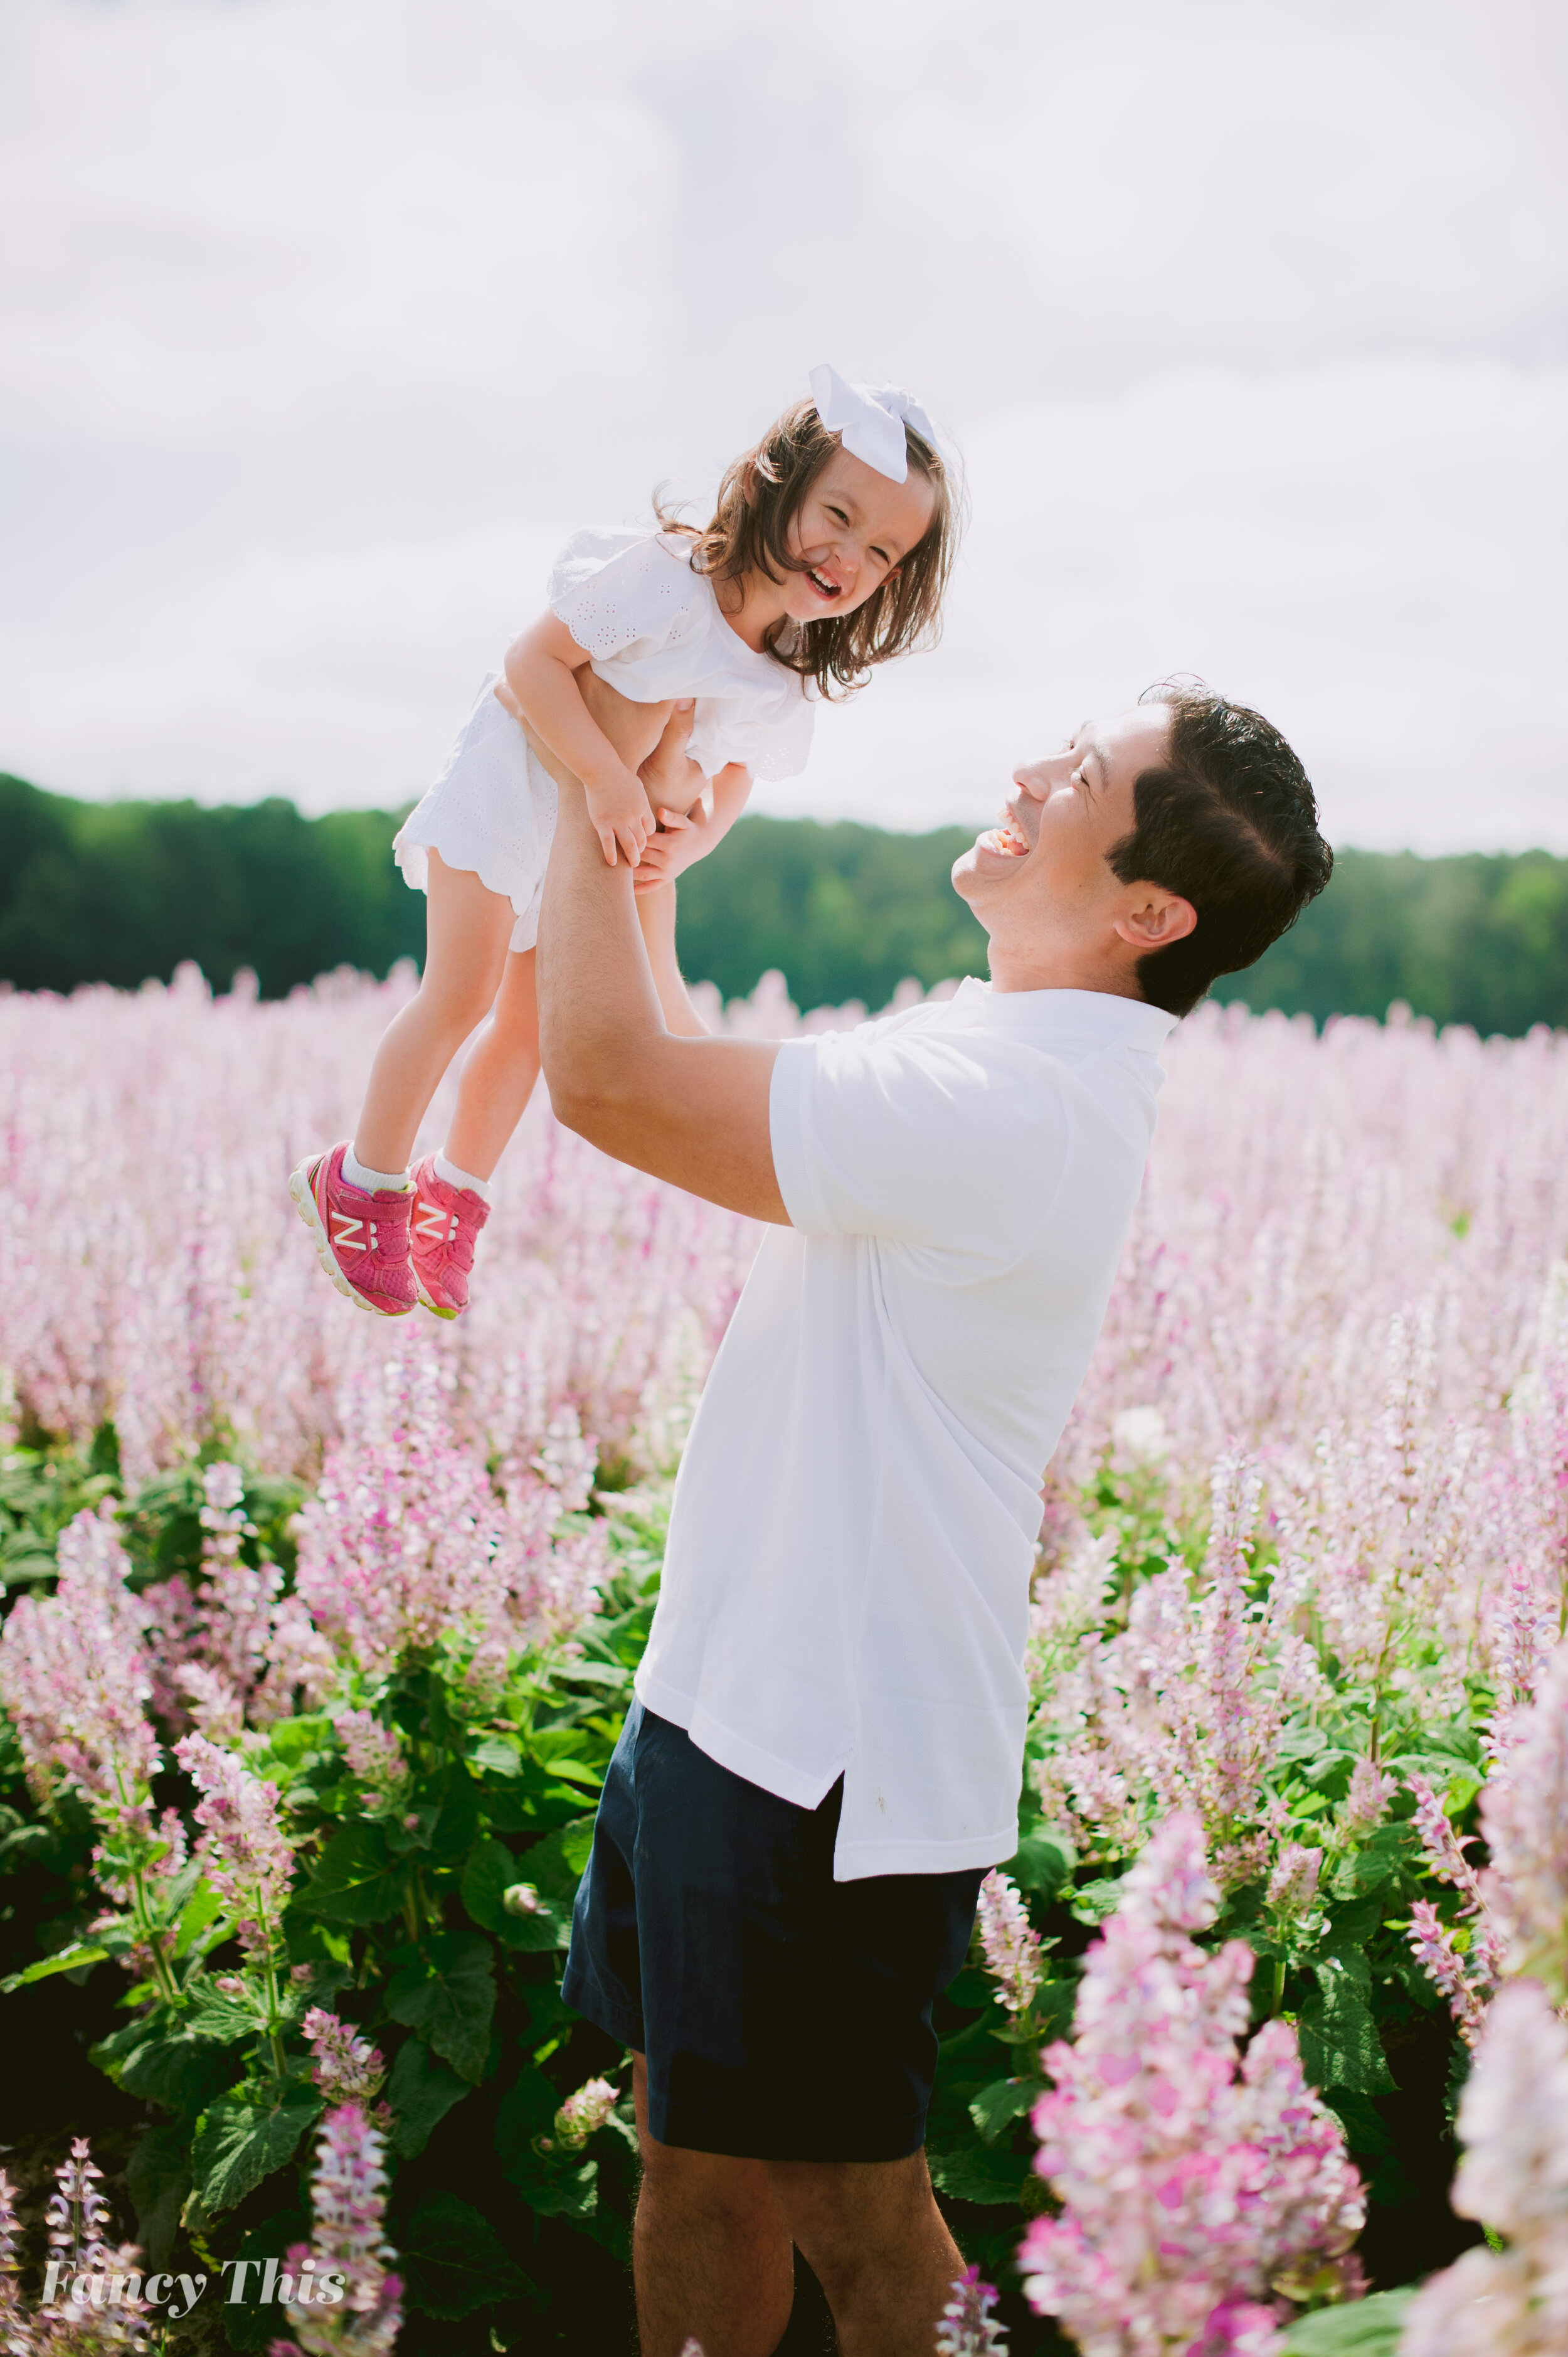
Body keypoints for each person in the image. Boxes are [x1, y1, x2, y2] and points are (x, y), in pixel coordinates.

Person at [530, 678, 1333, 2357]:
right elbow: (671, 1067)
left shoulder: (1015, 1105)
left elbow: (604, 1081)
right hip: (737, 1689)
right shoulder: (990, 1047)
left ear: (1143, 909)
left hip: (827, 1750)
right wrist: (649, 863)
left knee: (848, 2201)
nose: (1033, 767)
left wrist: (578, 773)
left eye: (1085, 774)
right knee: (695, 2156)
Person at [289, 368, 961, 1323]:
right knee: (460, 993)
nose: (848, 554)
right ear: (778, 485)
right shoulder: (667, 580)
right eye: (838, 516)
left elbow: (734, 779)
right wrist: (606, 779)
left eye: (883, 551)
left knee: (530, 1029)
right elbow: (532, 664)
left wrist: (687, 847)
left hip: (584, 848)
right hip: (509, 798)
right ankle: (360, 1181)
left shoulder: (779, 669)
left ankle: (453, 1195)